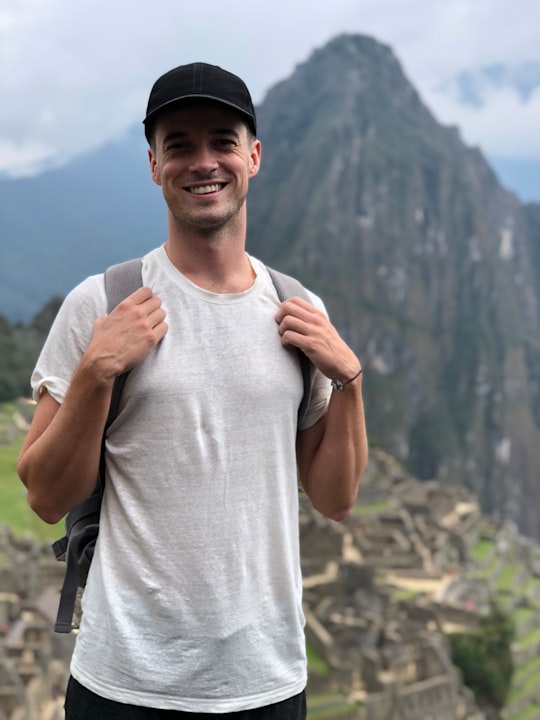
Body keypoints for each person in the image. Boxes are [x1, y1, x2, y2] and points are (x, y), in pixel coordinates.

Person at [17, 62, 368, 719]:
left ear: (253, 156)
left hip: (265, 682)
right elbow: (43, 495)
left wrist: (348, 381)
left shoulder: (297, 309)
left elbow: (336, 498)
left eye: (222, 141)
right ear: (154, 164)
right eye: (179, 144)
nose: (203, 162)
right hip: (123, 684)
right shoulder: (102, 304)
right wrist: (96, 372)